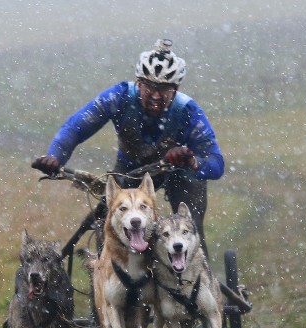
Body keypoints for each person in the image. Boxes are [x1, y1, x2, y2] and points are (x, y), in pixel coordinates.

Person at [32, 39, 224, 261]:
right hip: (130, 169)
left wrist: (192, 162)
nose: (155, 95)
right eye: (149, 87)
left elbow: (217, 163)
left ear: (176, 90)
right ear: (138, 83)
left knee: (189, 227)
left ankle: (198, 284)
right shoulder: (119, 97)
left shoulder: (188, 111)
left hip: (179, 172)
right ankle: (111, 282)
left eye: (164, 89)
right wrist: (55, 156)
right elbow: (75, 127)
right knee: (109, 224)